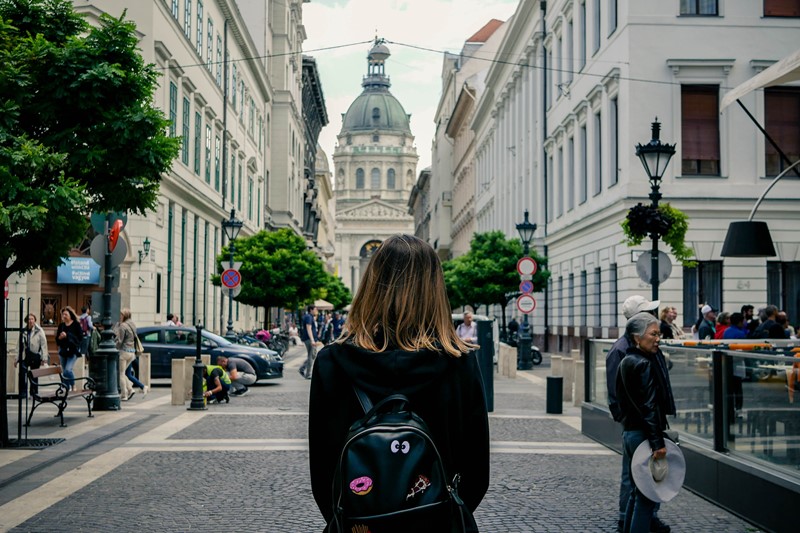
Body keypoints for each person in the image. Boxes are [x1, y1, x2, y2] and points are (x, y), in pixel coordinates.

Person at [309, 234, 490, 531]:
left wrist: (357, 519)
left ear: (371, 285)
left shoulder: (332, 362)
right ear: (434, 289)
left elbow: (324, 472)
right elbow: (476, 472)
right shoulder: (459, 362)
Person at [606, 295, 670, 533]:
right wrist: (657, 442)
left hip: (633, 430)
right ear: (636, 334)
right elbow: (649, 406)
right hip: (640, 432)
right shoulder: (638, 360)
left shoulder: (634, 357)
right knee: (645, 494)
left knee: (636, 490)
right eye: (653, 334)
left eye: (658, 334)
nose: (657, 339)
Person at [16, 313, 49, 396]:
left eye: (32, 319)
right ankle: (23, 392)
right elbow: (19, 346)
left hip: (35, 355)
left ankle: (33, 392)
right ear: (26, 321)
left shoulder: (39, 330)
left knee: (34, 374)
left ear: (35, 320)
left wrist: (44, 358)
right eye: (29, 319)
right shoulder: (23, 330)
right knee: (22, 373)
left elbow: (44, 345)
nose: (30, 321)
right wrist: (16, 359)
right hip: (25, 355)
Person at [114, 308, 140, 401]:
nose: (120, 316)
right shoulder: (132, 324)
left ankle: (124, 395)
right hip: (132, 353)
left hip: (124, 352)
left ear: (124, 315)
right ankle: (130, 388)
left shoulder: (123, 326)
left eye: (121, 315)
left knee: (121, 374)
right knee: (124, 373)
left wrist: (114, 346)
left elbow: (120, 341)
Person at [55, 306, 82, 390]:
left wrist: (67, 335)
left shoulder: (76, 325)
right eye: (63, 314)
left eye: (66, 314)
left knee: (68, 370)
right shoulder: (61, 325)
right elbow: (57, 340)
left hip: (73, 351)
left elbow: (79, 338)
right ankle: (66, 388)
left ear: (70, 315)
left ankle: (73, 385)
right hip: (63, 351)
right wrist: (60, 337)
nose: (64, 316)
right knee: (64, 371)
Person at [298, 305, 321, 379]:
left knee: (312, 356)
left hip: (309, 338)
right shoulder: (308, 317)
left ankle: (302, 368)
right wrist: (312, 340)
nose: (316, 310)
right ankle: (308, 374)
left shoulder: (309, 316)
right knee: (311, 356)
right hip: (309, 339)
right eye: (315, 309)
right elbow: (309, 328)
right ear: (311, 310)